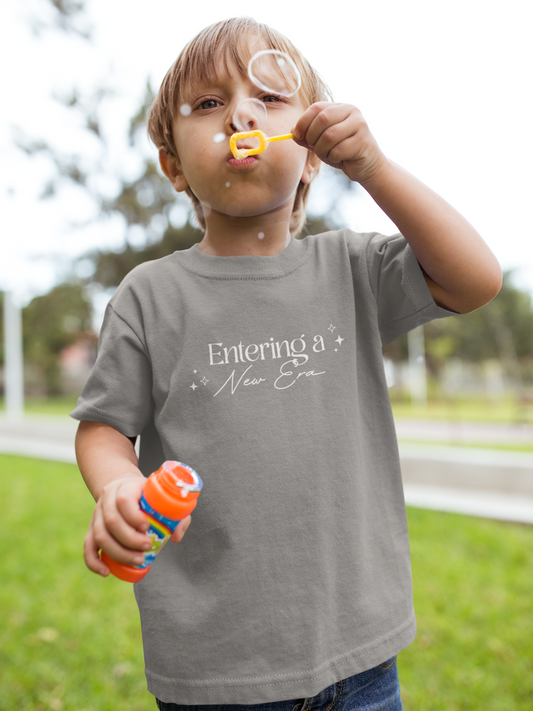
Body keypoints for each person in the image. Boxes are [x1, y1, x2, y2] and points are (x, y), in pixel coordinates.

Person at [72, 17, 502, 711]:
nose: (240, 112)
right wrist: (118, 485)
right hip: (215, 668)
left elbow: (474, 279)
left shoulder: (353, 269)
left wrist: (375, 169)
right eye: (209, 104)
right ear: (173, 164)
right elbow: (103, 426)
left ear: (308, 152)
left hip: (361, 655)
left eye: (269, 98)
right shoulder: (149, 295)